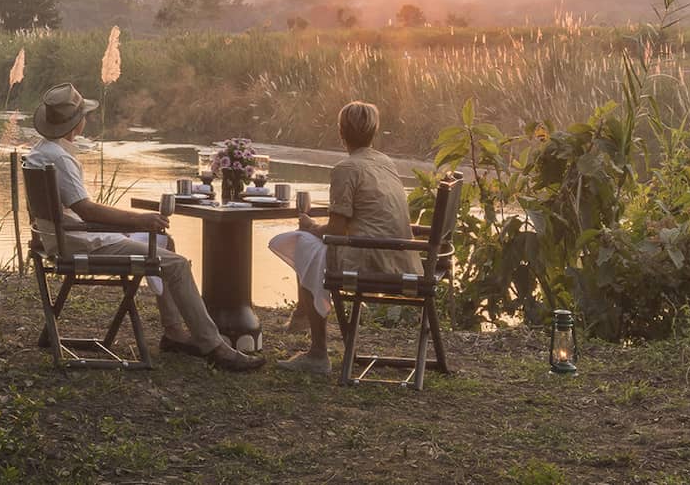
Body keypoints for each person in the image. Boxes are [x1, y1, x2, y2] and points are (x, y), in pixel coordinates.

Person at [23, 81, 264, 372]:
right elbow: (86, 210)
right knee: (177, 265)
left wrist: (118, 226)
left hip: (60, 238)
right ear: (77, 122)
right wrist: (139, 219)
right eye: (83, 115)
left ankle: (174, 333)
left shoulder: (40, 152)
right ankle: (215, 347)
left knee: (165, 243)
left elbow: (69, 210)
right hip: (80, 243)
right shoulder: (60, 158)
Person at [268, 99, 419, 374]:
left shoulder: (345, 169)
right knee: (311, 246)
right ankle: (302, 313)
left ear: (341, 132)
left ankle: (317, 351)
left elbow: (336, 232)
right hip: (402, 258)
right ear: (374, 132)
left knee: (304, 243)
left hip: (370, 260)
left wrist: (310, 226)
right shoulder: (385, 162)